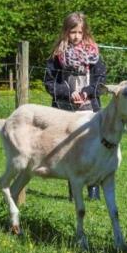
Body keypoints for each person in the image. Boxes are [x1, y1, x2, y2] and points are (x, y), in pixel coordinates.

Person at [43, 12, 106, 201]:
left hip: (89, 107)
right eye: (72, 32)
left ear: (85, 32)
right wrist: (68, 93)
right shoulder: (57, 56)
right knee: (70, 149)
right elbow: (49, 82)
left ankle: (93, 189)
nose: (76, 36)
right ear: (65, 32)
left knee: (92, 147)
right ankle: (74, 190)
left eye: (80, 32)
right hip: (65, 109)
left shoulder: (94, 55)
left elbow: (100, 80)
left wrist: (87, 91)